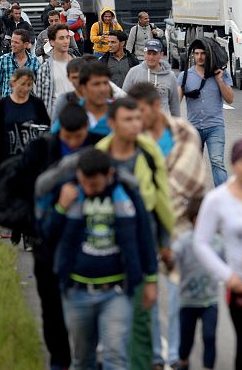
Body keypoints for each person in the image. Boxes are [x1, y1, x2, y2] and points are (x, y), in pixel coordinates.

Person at [7, 103, 106, 370]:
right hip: (50, 246)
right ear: (59, 131)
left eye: (79, 137)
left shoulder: (99, 148)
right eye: (68, 137)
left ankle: (89, 358)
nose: (74, 144)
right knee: (53, 313)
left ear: (87, 130)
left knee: (89, 313)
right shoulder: (43, 152)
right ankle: (59, 362)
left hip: (88, 245)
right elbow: (31, 199)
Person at [40, 148, 158, 370]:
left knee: (116, 358)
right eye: (84, 182)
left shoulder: (126, 195)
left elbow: (145, 237)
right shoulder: (69, 191)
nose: (88, 188)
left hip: (116, 292)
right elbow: (47, 234)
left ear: (109, 174)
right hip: (77, 292)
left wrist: (151, 278)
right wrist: (60, 207)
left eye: (94, 185)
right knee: (83, 360)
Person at [128, 82, 207, 369]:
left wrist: (160, 194)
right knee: (148, 293)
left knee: (176, 296)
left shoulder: (184, 132)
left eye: (141, 111)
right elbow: (134, 185)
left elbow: (194, 180)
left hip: (182, 225)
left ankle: (174, 355)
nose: (137, 118)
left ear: (156, 107)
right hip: (147, 227)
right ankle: (156, 355)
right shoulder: (133, 140)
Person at [95, 98, 176, 370]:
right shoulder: (99, 155)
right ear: (112, 123)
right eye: (127, 120)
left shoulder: (149, 152)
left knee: (144, 305)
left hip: (144, 236)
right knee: (111, 312)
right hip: (106, 241)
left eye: (137, 119)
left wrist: (166, 242)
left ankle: (149, 358)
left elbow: (163, 199)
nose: (134, 125)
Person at [194, 138, 242, 370]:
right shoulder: (217, 199)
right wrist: (227, 275)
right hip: (240, 285)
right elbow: (201, 243)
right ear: (234, 164)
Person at [172, 197, 219, 370]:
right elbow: (173, 257)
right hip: (188, 301)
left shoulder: (216, 241)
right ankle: (183, 362)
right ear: (192, 218)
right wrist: (168, 258)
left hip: (210, 300)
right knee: (186, 340)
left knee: (210, 336)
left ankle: (208, 366)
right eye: (199, 216)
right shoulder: (184, 241)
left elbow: (227, 261)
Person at [178, 45, 234, 187]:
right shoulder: (185, 75)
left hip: (215, 127)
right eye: (196, 53)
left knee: (217, 161)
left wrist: (219, 80)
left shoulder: (221, 74)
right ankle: (194, 198)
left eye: (203, 53)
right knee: (193, 165)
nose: (199, 57)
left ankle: (222, 196)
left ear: (209, 55)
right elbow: (175, 102)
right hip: (193, 127)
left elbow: (230, 99)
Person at [0, 67, 50, 169]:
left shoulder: (37, 104)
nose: (26, 88)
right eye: (22, 84)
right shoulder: (3, 104)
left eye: (29, 85)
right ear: (13, 83)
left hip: (31, 160)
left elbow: (46, 126)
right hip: (7, 160)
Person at [0, 29, 40, 115]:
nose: (12, 44)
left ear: (26, 44)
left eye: (16, 42)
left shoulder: (34, 61)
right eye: (12, 41)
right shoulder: (4, 59)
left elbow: (40, 85)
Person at [50, 60, 113, 136]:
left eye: (105, 83)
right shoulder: (70, 115)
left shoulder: (118, 113)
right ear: (83, 87)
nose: (102, 89)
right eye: (96, 84)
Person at [122, 39, 180, 117]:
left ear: (161, 54)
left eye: (154, 54)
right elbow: (123, 98)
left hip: (162, 125)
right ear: (144, 54)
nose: (151, 57)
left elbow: (175, 105)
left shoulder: (170, 76)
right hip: (140, 124)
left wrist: (175, 125)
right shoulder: (133, 72)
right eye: (148, 53)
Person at [35, 23, 77, 118]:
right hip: (53, 119)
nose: (66, 41)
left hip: (76, 117)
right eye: (61, 38)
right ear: (52, 42)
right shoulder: (44, 69)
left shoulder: (80, 66)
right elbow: (39, 101)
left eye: (67, 37)